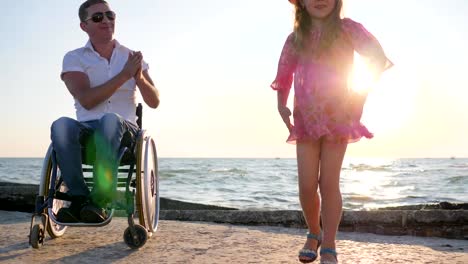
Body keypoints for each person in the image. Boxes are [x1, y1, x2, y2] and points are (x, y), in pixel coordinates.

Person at [270, 0, 392, 263]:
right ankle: (313, 232)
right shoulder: (295, 39)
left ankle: (329, 243)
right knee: (306, 186)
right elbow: (284, 73)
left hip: (339, 116)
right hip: (305, 118)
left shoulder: (348, 30)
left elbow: (377, 58)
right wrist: (281, 105)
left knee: (328, 183)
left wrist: (360, 94)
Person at [51, 0, 159, 223]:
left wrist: (137, 77)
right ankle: (80, 199)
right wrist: (123, 76)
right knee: (61, 124)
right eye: (98, 17)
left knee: (110, 120)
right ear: (84, 26)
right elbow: (87, 101)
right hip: (88, 129)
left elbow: (154, 101)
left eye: (110, 15)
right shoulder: (74, 58)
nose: (106, 20)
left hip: (125, 132)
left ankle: (100, 200)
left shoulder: (131, 56)